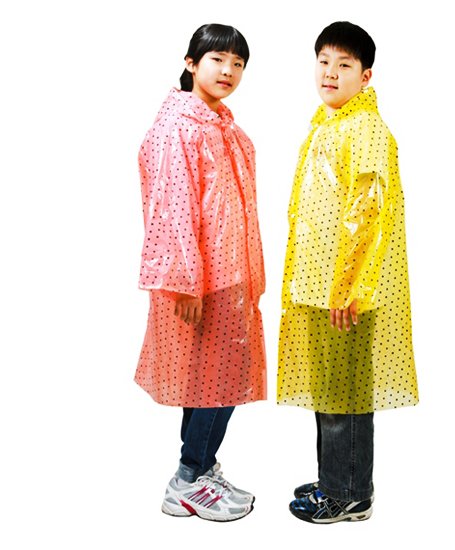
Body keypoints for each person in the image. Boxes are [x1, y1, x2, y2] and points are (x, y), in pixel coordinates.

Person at [277, 21, 419, 524]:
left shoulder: (365, 129)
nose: (330, 73)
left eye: (344, 65)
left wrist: (350, 288)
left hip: (346, 292)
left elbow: (368, 212)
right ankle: (336, 477)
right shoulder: (331, 123)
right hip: (323, 286)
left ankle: (350, 494)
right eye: (324, 62)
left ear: (366, 75)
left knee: (346, 394)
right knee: (330, 389)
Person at [135, 23, 266, 522]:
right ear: (191, 64)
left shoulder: (218, 124)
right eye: (218, 59)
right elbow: (172, 209)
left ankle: (201, 467)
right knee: (218, 378)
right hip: (200, 280)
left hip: (227, 273)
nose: (228, 70)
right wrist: (186, 283)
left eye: (238, 63)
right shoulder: (180, 128)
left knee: (209, 378)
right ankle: (188, 478)